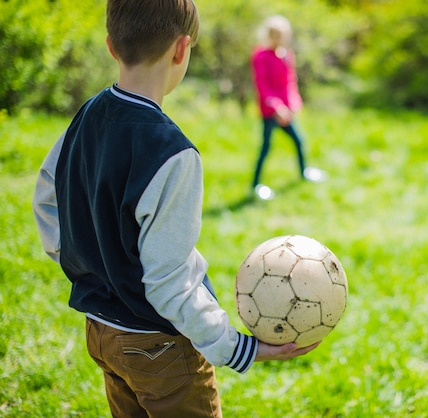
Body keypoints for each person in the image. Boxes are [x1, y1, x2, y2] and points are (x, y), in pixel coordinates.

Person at [32, 1, 318, 417]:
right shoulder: (172, 153)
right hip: (160, 347)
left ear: (112, 45)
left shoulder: (87, 113)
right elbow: (169, 282)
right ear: (182, 49)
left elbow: (46, 193)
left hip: (101, 332)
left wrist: (82, 261)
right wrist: (235, 346)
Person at [250, 15, 326, 201]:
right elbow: (263, 86)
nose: (278, 39)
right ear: (268, 35)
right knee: (266, 147)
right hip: (270, 113)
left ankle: (303, 172)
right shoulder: (260, 56)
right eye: (274, 35)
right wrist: (277, 107)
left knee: (299, 141)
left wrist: (293, 104)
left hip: (287, 112)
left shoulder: (286, 55)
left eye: (281, 35)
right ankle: (255, 185)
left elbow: (290, 82)